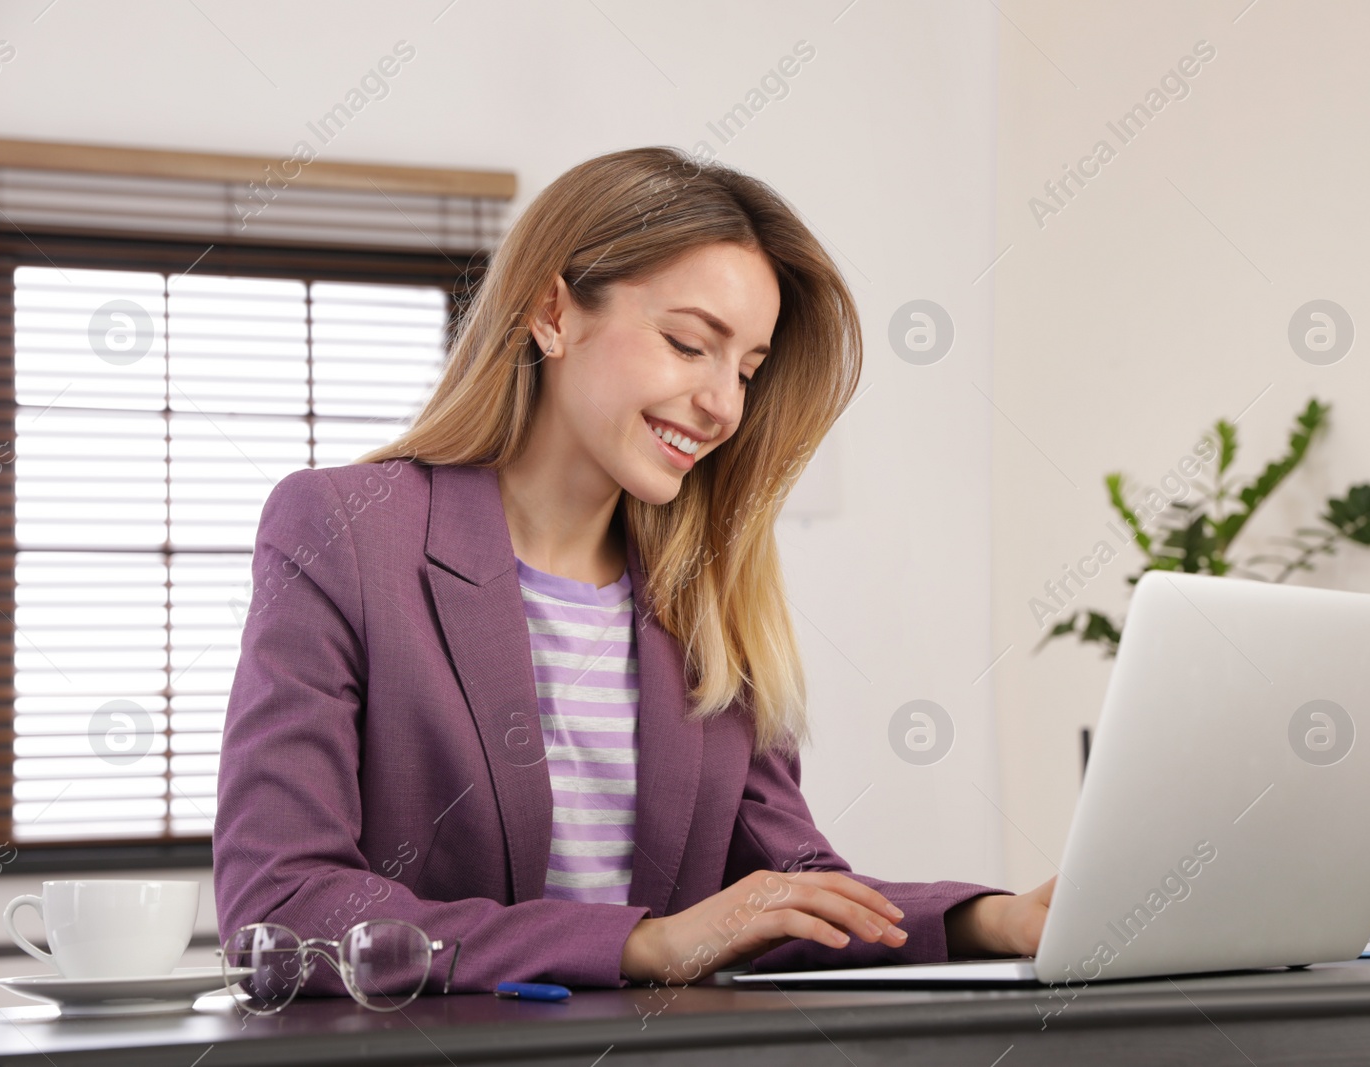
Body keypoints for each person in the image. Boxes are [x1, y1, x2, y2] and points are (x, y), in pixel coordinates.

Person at [213, 146, 1053, 995]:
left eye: (748, 370)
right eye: (690, 344)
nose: (724, 404)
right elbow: (281, 905)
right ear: (552, 312)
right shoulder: (344, 532)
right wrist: (644, 944)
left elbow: (784, 896)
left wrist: (994, 920)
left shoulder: (710, 593)